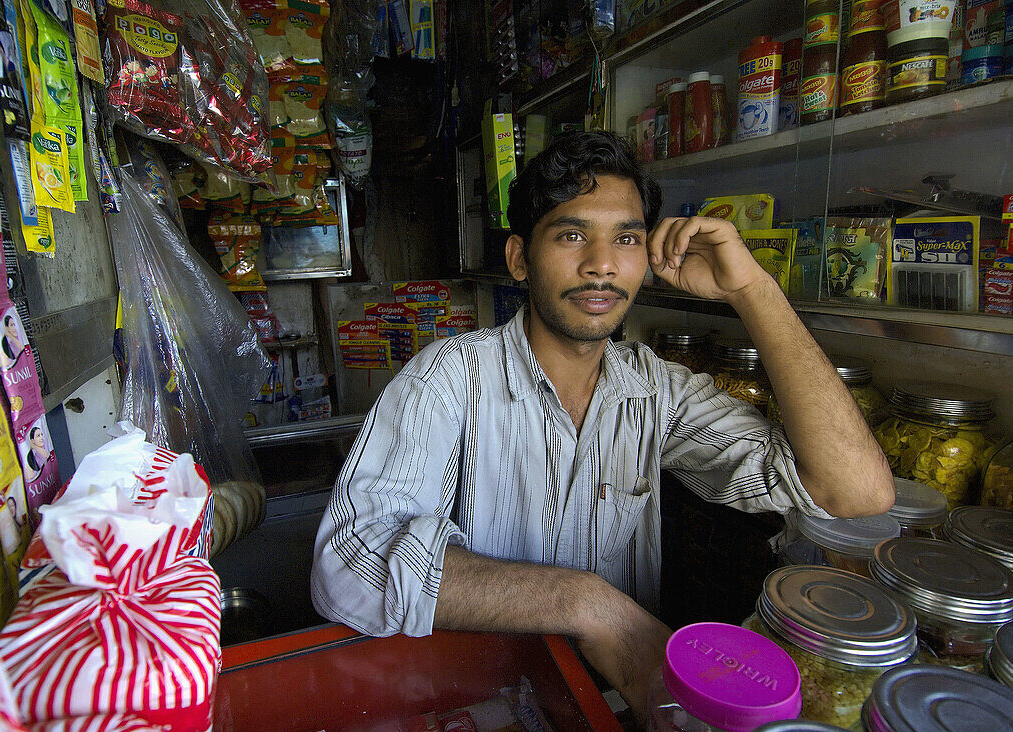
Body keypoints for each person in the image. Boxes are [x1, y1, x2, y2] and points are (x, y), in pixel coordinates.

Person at [311, 130, 893, 721]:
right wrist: (583, 602)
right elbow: (349, 566)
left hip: (611, 706)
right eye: (571, 235)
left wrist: (753, 291)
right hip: (481, 705)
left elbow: (852, 493)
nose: (602, 265)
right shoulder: (449, 379)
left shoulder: (656, 390)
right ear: (519, 258)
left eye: (627, 238)